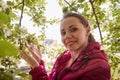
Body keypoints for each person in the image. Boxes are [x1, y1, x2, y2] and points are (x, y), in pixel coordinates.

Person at [20, 12, 111, 80]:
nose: (67, 36)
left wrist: (37, 70)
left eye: (73, 29)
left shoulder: (98, 67)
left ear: (87, 31)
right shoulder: (63, 58)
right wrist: (40, 63)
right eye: (63, 33)